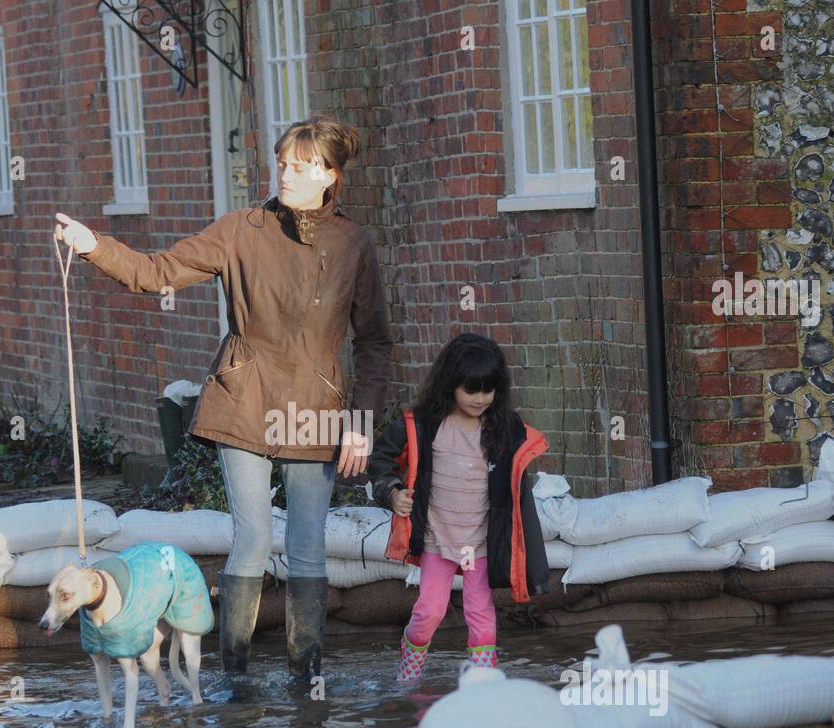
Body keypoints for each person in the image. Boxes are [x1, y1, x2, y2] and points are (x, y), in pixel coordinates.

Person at [54, 115, 394, 680]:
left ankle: (307, 676)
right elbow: (157, 271)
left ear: (330, 175)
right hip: (243, 400)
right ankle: (235, 679)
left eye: (301, 166)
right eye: (282, 162)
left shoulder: (354, 243)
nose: (285, 172)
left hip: (316, 410)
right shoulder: (242, 230)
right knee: (255, 536)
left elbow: (377, 342)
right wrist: (95, 247)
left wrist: (360, 422)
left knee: (308, 546)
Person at [367, 334, 551, 681]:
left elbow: (514, 486)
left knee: (480, 613)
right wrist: (392, 492)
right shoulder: (422, 425)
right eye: (471, 390)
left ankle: (484, 685)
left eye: (489, 390)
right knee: (430, 611)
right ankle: (410, 665)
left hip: (478, 544)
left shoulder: (503, 430)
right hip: (438, 538)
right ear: (450, 384)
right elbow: (380, 459)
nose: (481, 399)